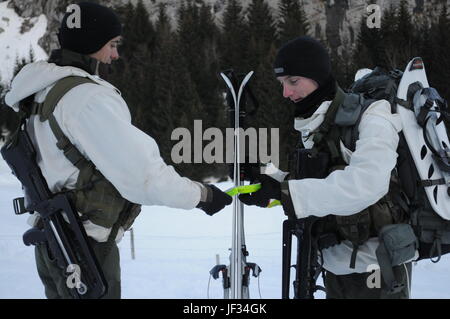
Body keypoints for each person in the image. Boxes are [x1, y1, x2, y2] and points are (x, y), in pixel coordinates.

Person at [4, 2, 231, 299]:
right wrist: (201, 195)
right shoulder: (86, 97)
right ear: (91, 44)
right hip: (84, 249)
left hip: (52, 244)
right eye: (111, 45)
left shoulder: (38, 94)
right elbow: (144, 176)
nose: (115, 54)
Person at [239, 36, 413, 299]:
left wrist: (285, 193)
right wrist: (265, 175)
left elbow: (367, 185)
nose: (285, 93)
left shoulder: (374, 116)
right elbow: (318, 185)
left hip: (378, 269)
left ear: (317, 75)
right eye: (282, 84)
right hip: (335, 266)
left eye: (293, 81)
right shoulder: (318, 125)